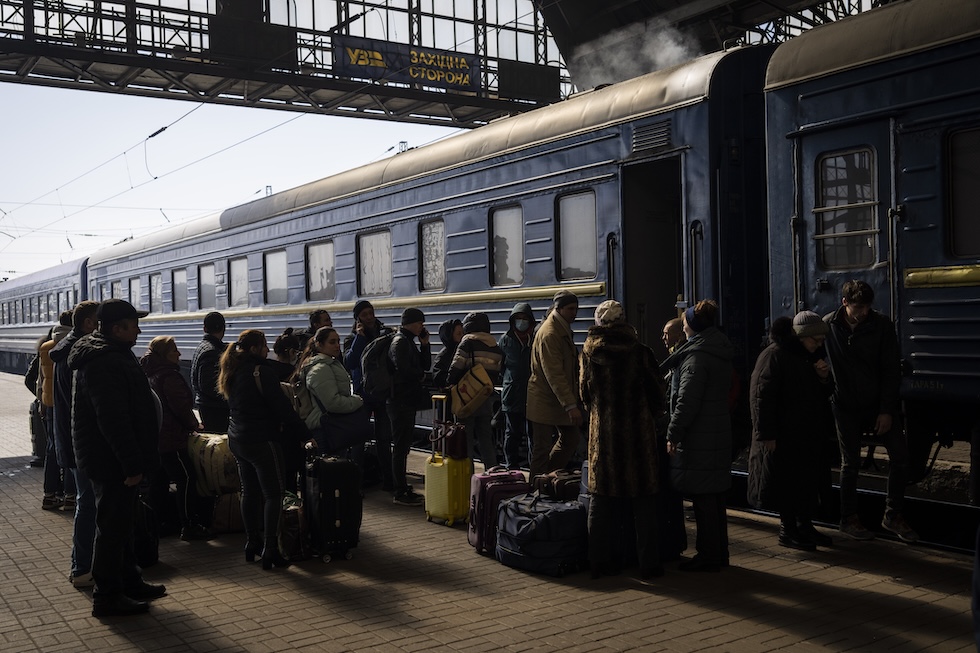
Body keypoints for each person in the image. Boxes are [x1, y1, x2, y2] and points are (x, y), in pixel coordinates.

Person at [67, 299, 166, 617]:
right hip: (111, 462)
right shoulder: (104, 361)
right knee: (111, 529)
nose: (139, 328)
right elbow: (113, 420)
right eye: (133, 323)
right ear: (116, 328)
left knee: (122, 525)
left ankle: (129, 580)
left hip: (112, 459)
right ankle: (106, 595)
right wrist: (132, 465)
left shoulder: (111, 353)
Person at [824, 279, 918, 543]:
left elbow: (890, 370)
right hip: (844, 406)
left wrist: (887, 410)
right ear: (845, 303)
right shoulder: (828, 325)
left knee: (901, 457)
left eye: (866, 307)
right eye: (858, 307)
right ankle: (848, 519)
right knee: (850, 463)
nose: (863, 312)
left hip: (876, 404)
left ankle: (892, 516)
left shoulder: (882, 326)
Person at [580, 300, 666, 580]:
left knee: (600, 503)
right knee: (644, 505)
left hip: (603, 438)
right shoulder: (640, 352)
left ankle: (599, 563)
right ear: (623, 321)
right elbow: (658, 394)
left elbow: (584, 394)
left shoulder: (589, 353)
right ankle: (649, 565)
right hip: (638, 438)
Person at [218, 329, 313, 569]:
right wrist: (305, 435)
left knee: (248, 492)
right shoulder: (262, 372)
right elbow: (282, 408)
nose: (267, 350)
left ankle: (252, 543)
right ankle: (271, 549)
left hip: (238, 439)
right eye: (263, 346)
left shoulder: (233, 369)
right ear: (254, 349)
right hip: (261, 440)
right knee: (274, 494)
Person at [747, 312, 835, 551]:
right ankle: (788, 530)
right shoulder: (774, 356)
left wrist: (824, 378)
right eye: (814, 340)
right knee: (786, 484)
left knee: (806, 483)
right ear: (800, 336)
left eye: (820, 341)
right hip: (784, 434)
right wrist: (766, 434)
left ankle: (804, 526)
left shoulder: (809, 357)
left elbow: (823, 393)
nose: (818, 345)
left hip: (806, 433)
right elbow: (760, 398)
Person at [663, 299, 733, 572]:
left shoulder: (696, 356)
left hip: (700, 433)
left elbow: (686, 400)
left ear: (692, 325)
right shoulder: (718, 348)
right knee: (715, 497)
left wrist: (674, 433)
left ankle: (708, 556)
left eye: (684, 323)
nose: (683, 326)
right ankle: (719, 553)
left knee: (703, 497)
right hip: (716, 429)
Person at [49, 300, 100, 588]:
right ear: (89, 324)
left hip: (72, 439)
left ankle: (83, 565)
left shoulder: (64, 349)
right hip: (83, 441)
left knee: (86, 502)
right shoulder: (79, 354)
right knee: (89, 503)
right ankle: (82, 567)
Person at [140, 336, 211, 542]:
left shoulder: (149, 374)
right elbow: (181, 408)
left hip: (157, 438)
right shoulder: (169, 376)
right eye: (174, 351)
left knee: (159, 482)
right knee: (187, 479)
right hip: (171, 438)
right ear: (164, 355)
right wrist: (193, 425)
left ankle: (159, 523)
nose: (179, 354)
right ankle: (189, 524)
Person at [526, 290, 582, 478]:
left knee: (570, 439)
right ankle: (536, 486)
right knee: (541, 448)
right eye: (570, 309)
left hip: (554, 400)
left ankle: (547, 478)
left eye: (576, 308)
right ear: (559, 308)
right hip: (544, 400)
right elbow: (554, 374)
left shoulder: (560, 328)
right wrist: (570, 405)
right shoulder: (550, 333)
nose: (575, 313)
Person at [343, 300, 395, 491]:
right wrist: (359, 338)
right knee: (358, 439)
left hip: (382, 393)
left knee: (384, 439)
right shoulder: (352, 338)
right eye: (364, 314)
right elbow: (350, 362)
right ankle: (357, 483)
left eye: (371, 312)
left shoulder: (385, 333)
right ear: (358, 318)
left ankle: (388, 480)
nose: (369, 317)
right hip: (362, 395)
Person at [297, 326, 365, 464]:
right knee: (328, 473)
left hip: (330, 426)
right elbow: (333, 403)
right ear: (319, 344)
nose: (336, 346)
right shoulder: (320, 369)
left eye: (338, 342)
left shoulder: (329, 364)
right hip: (324, 428)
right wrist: (357, 401)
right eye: (332, 342)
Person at [447, 312, 504, 468]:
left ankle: (467, 478)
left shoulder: (467, 343)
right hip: (485, 399)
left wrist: (450, 382)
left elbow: (456, 366)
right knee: (486, 440)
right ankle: (492, 474)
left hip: (467, 398)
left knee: (466, 442)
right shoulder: (495, 347)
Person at [387, 307, 431, 506]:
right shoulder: (400, 342)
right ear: (411, 323)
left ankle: (401, 487)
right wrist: (419, 375)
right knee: (400, 446)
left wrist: (425, 345)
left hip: (406, 400)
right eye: (419, 322)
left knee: (403, 446)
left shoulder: (408, 342)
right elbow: (404, 369)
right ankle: (399, 490)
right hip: (400, 401)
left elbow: (425, 364)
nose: (422, 326)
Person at [39, 313, 74, 511]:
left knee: (53, 449)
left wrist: (42, 401)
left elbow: (40, 378)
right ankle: (70, 495)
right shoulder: (72, 345)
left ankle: (49, 494)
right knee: (70, 448)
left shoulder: (46, 346)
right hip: (67, 402)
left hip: (50, 402)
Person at [498, 303, 536, 470]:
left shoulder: (533, 339)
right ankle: (511, 468)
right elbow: (500, 367)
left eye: (525, 319)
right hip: (512, 394)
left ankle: (534, 469)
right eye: (518, 319)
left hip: (531, 394)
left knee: (533, 435)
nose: (522, 322)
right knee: (512, 433)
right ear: (513, 321)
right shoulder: (505, 340)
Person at [191, 311, 229, 433]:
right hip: (214, 407)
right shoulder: (212, 352)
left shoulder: (202, 346)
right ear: (223, 329)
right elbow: (208, 385)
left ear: (204, 328)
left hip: (206, 404)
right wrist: (227, 396)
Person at [430, 318, 463, 388]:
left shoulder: (464, 351)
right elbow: (439, 379)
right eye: (459, 334)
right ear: (450, 336)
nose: (462, 336)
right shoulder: (442, 357)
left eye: (463, 333)